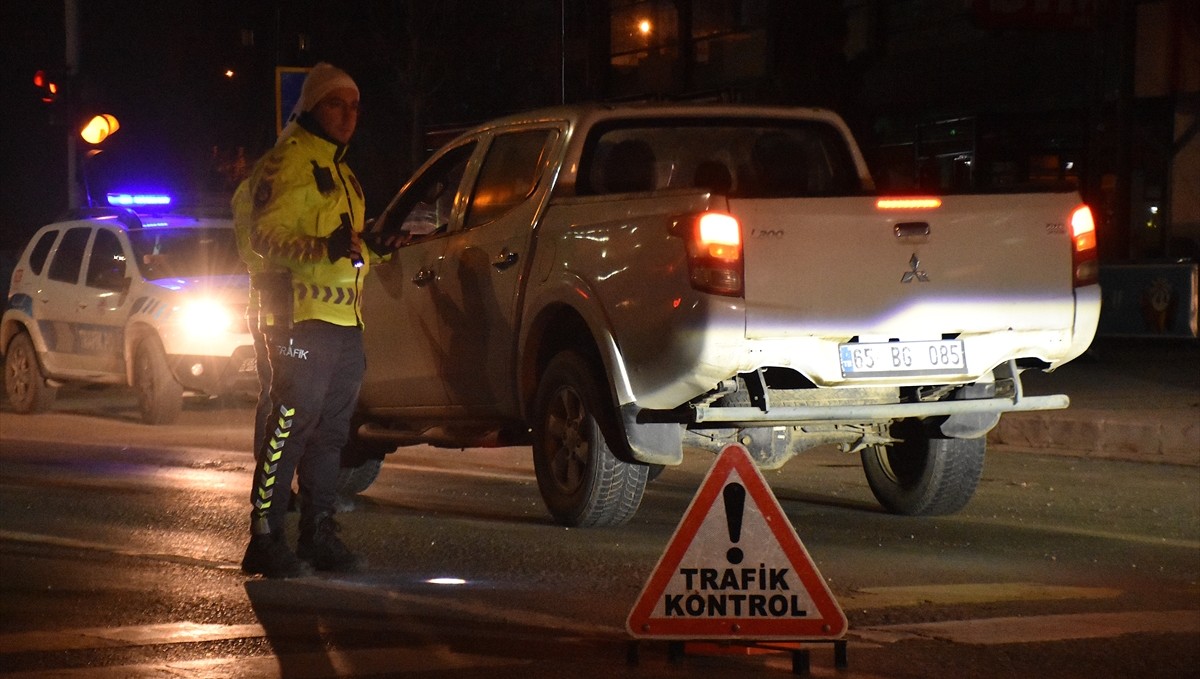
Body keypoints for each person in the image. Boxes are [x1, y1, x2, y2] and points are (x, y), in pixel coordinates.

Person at [235, 62, 378, 579]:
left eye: (355, 105)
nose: (348, 115)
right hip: (298, 320)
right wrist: (324, 247)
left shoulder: (344, 171)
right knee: (290, 428)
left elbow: (351, 251)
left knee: (331, 436)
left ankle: (318, 534)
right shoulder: (288, 162)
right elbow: (263, 238)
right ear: (314, 108)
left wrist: (379, 247)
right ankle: (264, 536)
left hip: (344, 323)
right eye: (336, 105)